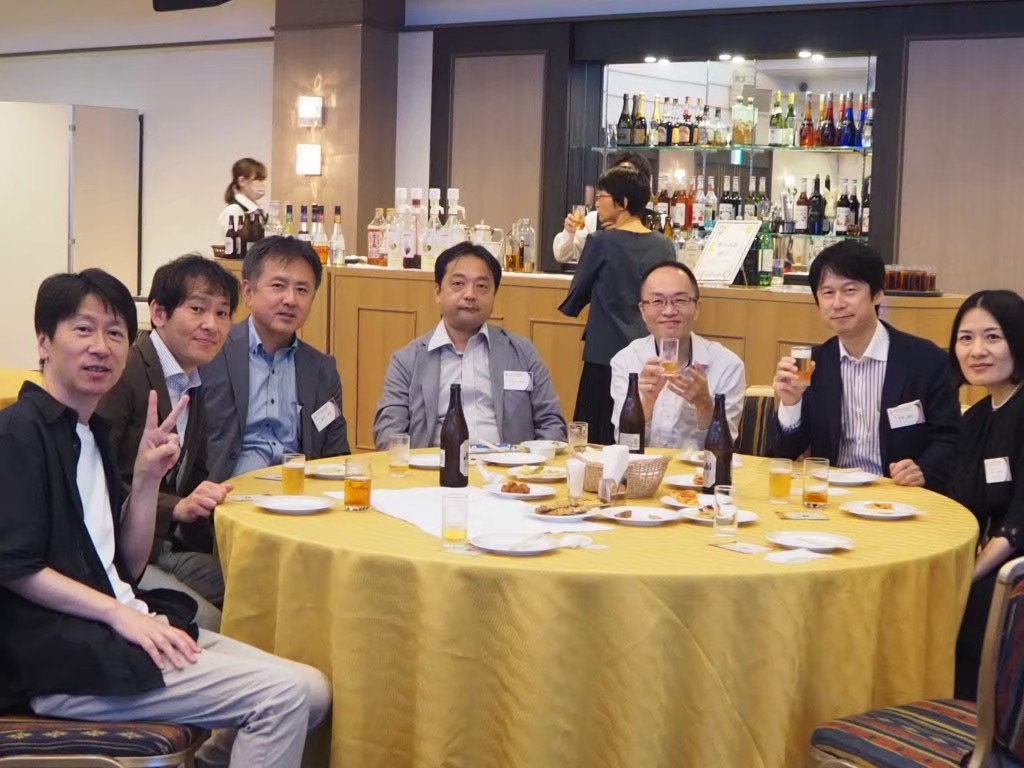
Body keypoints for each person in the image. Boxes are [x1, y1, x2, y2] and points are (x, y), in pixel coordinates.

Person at [0, 269, 330, 767]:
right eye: (83, 330)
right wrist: (120, 614)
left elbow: (128, 565)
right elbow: (16, 567)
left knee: (314, 691)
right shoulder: (18, 434)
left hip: (117, 626)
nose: (101, 347)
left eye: (115, 333)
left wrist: (146, 480)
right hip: (63, 660)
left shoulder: (89, 432)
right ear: (44, 341)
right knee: (282, 697)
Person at [97, 255, 238, 631]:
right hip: (120, 553)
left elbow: (197, 471)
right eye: (197, 309)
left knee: (258, 585)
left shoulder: (193, 379)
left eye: (222, 313)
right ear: (159, 313)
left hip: (168, 545)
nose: (211, 325)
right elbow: (99, 479)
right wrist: (176, 508)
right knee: (217, 618)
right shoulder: (125, 371)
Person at [768, 241, 960, 491]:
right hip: (831, 494)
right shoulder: (814, 364)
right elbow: (783, 453)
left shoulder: (925, 360)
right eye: (828, 293)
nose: (838, 303)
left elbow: (950, 438)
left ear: (878, 293)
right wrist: (791, 403)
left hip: (901, 494)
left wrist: (923, 469)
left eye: (850, 290)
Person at [374, 241, 566, 449]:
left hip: (509, 466)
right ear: (437, 291)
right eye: (458, 284)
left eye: (482, 286)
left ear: (494, 294)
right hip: (436, 466)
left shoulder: (523, 353)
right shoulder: (407, 361)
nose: (470, 295)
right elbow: (389, 435)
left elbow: (551, 424)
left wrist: (534, 462)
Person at [202, 236, 350, 482]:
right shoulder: (213, 353)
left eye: (302, 290)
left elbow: (336, 455)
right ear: (248, 292)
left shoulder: (322, 369)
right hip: (228, 490)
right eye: (279, 286)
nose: (290, 300)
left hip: (298, 492)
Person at [559, 166, 676, 444]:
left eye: (602, 196)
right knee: (639, 428)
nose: (597, 203)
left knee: (597, 439)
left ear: (621, 202)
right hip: (650, 353)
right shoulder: (664, 245)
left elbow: (576, 296)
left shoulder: (600, 242)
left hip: (603, 354)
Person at [948, 290, 1024, 700]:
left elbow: (1018, 523)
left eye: (992, 337)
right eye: (966, 338)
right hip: (991, 557)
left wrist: (968, 574)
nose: (977, 350)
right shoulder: (977, 417)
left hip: (1015, 569)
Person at [611, 261, 745, 448]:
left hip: (699, 468)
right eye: (657, 301)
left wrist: (705, 405)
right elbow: (624, 443)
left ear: (697, 308)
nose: (669, 311)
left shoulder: (727, 365)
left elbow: (725, 449)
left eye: (680, 300)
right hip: (643, 466)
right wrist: (646, 403)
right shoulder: (626, 361)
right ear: (642, 310)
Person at [551, 151, 653, 264]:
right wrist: (569, 232)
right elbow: (562, 255)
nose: (598, 203)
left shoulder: (654, 223)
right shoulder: (593, 220)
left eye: (629, 175)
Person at [217, 157, 267, 235]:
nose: (262, 184)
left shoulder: (257, 209)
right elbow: (236, 240)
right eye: (258, 180)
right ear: (242, 181)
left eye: (263, 180)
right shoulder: (234, 210)